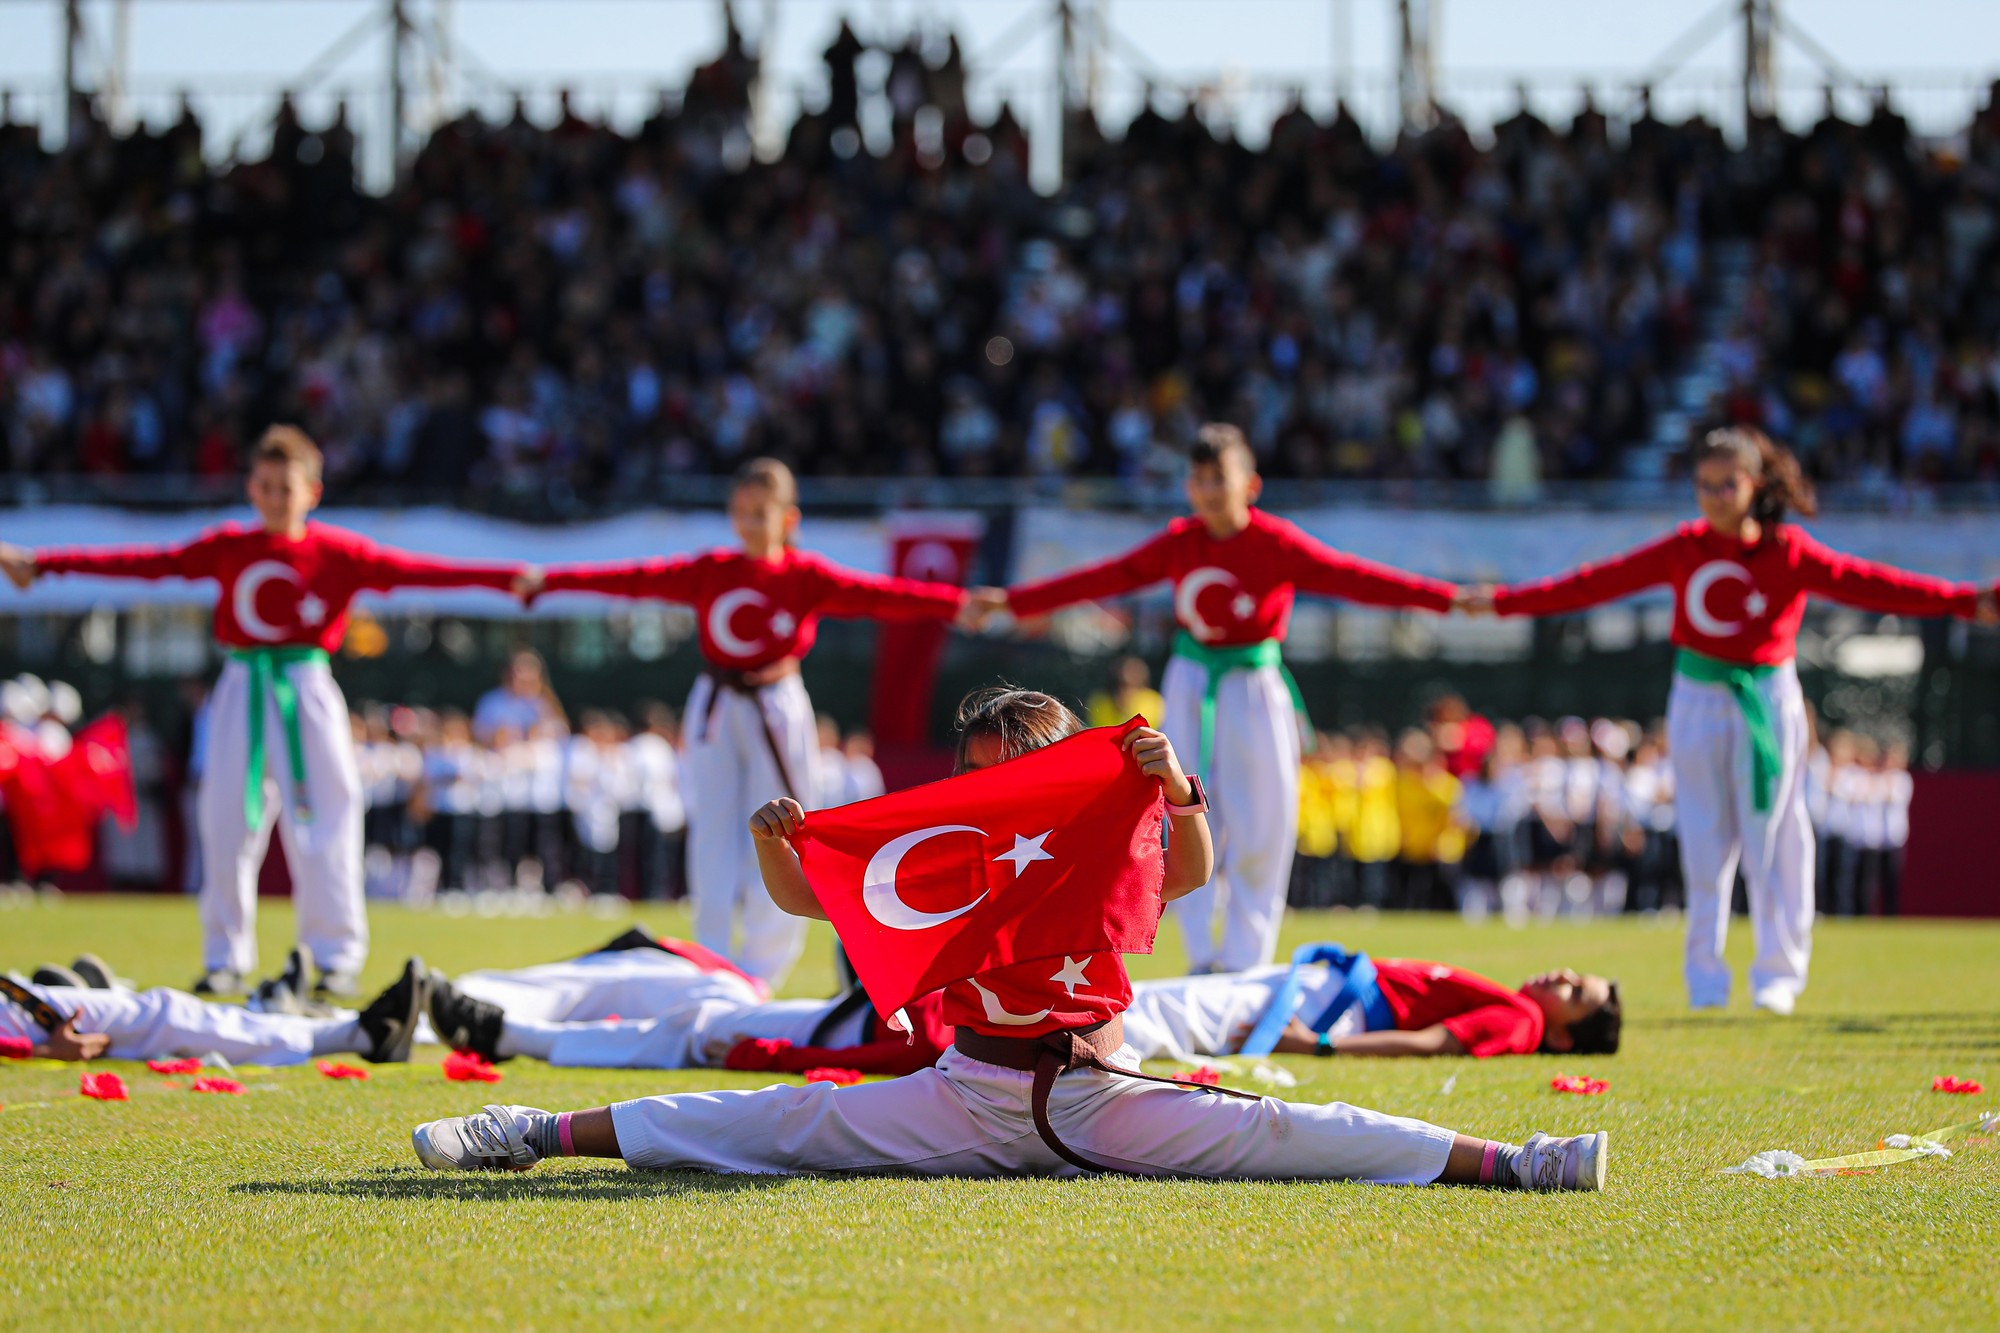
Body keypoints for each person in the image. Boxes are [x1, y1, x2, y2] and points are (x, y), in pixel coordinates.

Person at [411, 686, 1607, 1190]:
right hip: (964, 1087)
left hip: (1095, 1084)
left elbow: (1187, 871)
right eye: (986, 769)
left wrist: (1176, 788)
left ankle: (1519, 1160)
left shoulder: (1098, 826)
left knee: (1291, 1131)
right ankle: (529, 1129)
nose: (1006, 784)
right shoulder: (947, 853)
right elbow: (806, 906)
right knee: (758, 1120)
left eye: (1024, 763)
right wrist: (785, 844)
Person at [1464, 426, 2000, 1013]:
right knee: (1700, 838)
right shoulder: (1684, 548)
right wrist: (1507, 603)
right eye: (1704, 485)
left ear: (1757, 485)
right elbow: (1595, 584)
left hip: (1768, 698)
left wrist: (1962, 601)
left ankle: (1777, 975)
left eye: (1728, 484)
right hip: (1696, 696)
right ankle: (1706, 980)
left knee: (1775, 838)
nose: (1715, 496)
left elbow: (1869, 584)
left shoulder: (1788, 551)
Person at [0, 426, 522, 997]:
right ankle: (224, 957)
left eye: (286, 488)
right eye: (266, 487)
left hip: (307, 686)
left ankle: (336, 957)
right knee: (224, 823)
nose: (275, 499)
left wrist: (504, 580)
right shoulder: (230, 546)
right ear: (251, 487)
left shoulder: (337, 552)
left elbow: (418, 572)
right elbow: (147, 564)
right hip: (241, 686)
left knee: (330, 818)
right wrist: (45, 565)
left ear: (312, 493)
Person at [978, 426, 1458, 973]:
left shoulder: (1274, 543)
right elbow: (1107, 576)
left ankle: (1246, 962)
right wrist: (1016, 602)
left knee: (1265, 819)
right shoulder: (1182, 541)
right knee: (1181, 810)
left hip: (1254, 687)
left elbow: (1354, 577)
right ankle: (1201, 958)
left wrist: (1446, 600)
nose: (1208, 491)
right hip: (1191, 682)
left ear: (1249, 485)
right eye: (1199, 479)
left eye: (1219, 479)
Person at [517, 457, 979, 985]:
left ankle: (763, 968)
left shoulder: (806, 576)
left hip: (777, 703)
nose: (748, 524)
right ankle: (709, 958)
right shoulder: (714, 569)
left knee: (785, 827)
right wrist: (550, 581)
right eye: (740, 512)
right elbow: (630, 581)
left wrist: (956, 603)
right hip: (716, 702)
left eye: (760, 513)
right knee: (710, 828)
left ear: (788, 519)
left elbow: (884, 596)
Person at [1122, 957, 1619, 1062]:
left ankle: (1076, 1038)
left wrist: (1319, 1045)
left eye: (1576, 994)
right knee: (1178, 997)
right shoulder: (1522, 1006)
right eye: (1576, 975)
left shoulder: (1525, 1022)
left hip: (1338, 1011)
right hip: (1332, 988)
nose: (1563, 977)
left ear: (1561, 1039)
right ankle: (1071, 1021)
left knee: (1184, 1012)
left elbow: (1434, 1043)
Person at [0, 955, 430, 1066]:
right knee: (167, 1015)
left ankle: (296, 1014)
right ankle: (358, 1036)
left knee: (161, 1012)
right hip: (27, 1021)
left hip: (18, 1003)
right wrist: (38, 1052)